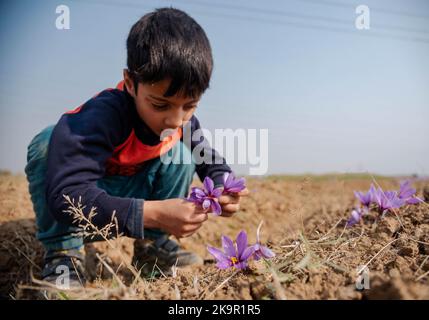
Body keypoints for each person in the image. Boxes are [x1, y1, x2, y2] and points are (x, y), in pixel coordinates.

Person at [25, 7, 248, 288]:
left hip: (127, 207)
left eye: (189, 106)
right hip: (81, 208)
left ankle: (151, 247)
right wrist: (153, 213)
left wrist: (224, 184)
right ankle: (63, 253)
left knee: (181, 153)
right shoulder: (104, 116)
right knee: (47, 142)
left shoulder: (180, 122)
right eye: (159, 104)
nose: (175, 119)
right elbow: (66, 195)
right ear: (130, 83)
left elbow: (208, 159)